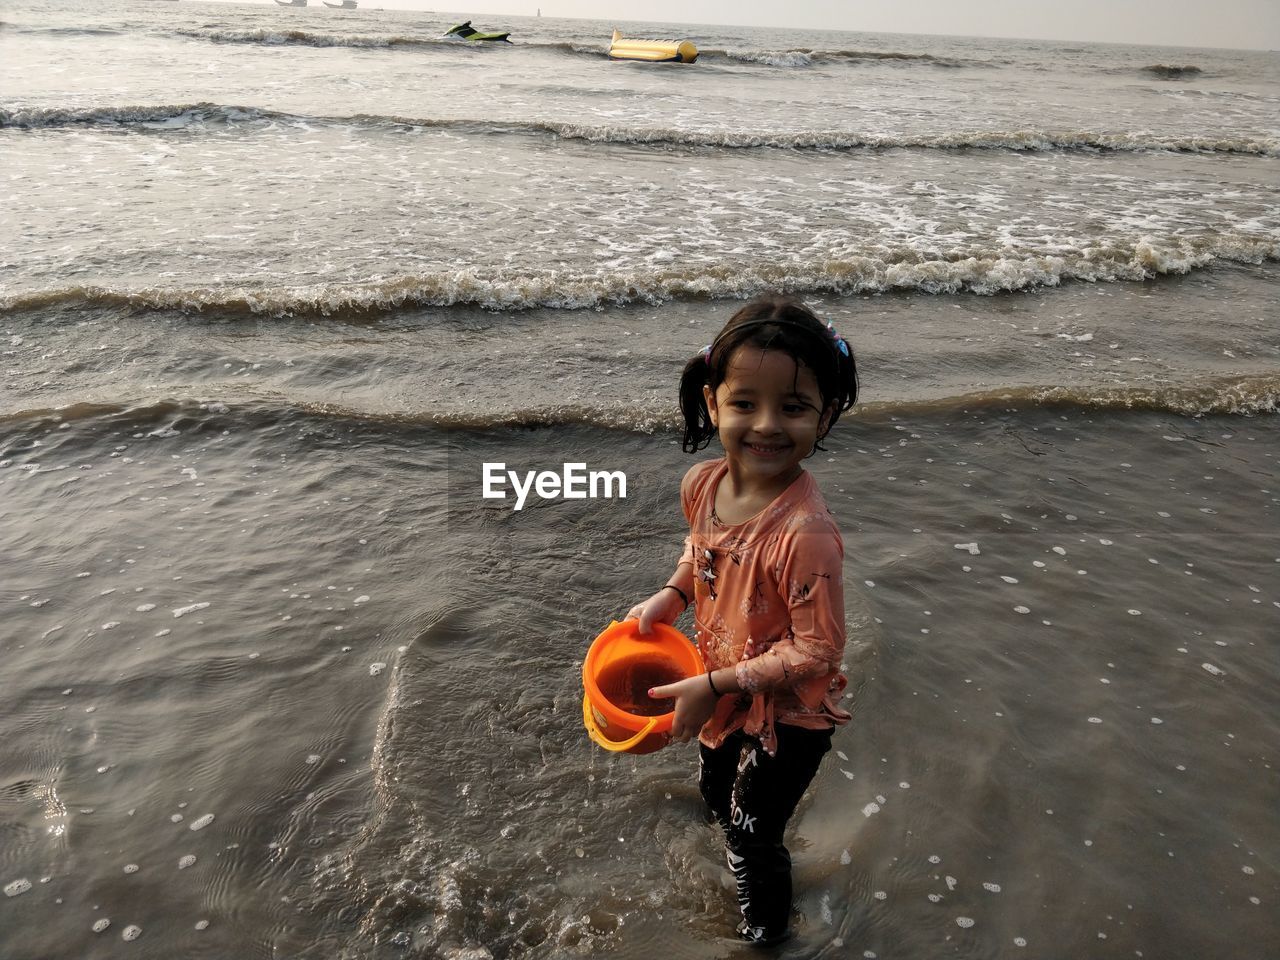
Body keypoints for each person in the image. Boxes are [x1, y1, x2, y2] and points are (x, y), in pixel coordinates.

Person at [626, 294, 859, 946]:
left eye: (793, 407)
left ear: (826, 413)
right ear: (712, 403)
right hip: (724, 685)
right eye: (744, 403)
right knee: (715, 783)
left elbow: (818, 651)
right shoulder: (702, 485)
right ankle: (723, 829)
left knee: (755, 830)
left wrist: (715, 687)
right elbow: (700, 556)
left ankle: (766, 939)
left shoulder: (806, 534)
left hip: (791, 717)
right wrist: (673, 597)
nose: (766, 426)